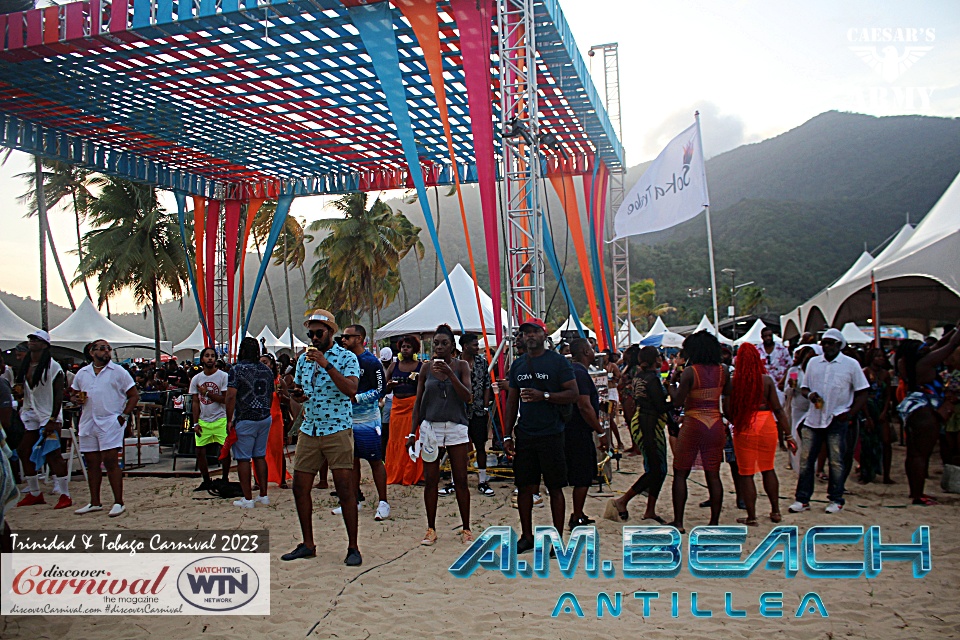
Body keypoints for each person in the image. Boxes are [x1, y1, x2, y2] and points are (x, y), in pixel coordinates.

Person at [282, 310, 361, 566]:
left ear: (331, 333)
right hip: (310, 428)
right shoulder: (305, 360)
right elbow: (302, 389)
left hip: (337, 428)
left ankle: (352, 547)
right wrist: (296, 395)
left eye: (319, 333)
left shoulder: (347, 357)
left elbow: (350, 389)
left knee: (345, 489)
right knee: (299, 487)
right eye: (310, 334)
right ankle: (308, 544)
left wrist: (326, 364)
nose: (314, 338)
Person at [503, 318, 578, 553]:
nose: (530, 336)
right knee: (524, 487)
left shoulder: (557, 363)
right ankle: (526, 536)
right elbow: (512, 401)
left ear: (544, 335)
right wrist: (506, 435)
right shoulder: (518, 365)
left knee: (555, 487)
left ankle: (557, 540)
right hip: (525, 434)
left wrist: (544, 396)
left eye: (534, 331)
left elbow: (573, 393)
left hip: (552, 433)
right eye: (525, 333)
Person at [789, 328, 869, 514]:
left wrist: (850, 413)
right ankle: (802, 499)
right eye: (824, 342)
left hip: (837, 417)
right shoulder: (814, 363)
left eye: (830, 343)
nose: (826, 346)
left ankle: (836, 498)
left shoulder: (851, 364)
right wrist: (810, 395)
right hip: (814, 418)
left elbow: (862, 391)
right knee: (806, 460)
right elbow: (804, 388)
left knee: (836, 461)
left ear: (839, 345)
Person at [408, 324, 473, 545]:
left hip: (455, 426)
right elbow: (419, 402)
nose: (439, 347)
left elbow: (468, 397)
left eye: (444, 343)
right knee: (431, 480)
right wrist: (411, 432)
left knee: (461, 479)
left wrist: (450, 375)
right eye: (436, 343)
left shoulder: (462, 365)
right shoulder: (426, 368)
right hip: (431, 428)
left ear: (452, 346)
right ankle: (431, 528)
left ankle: (466, 528)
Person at [666, 331, 731, 533]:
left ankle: (679, 522)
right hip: (715, 422)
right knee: (713, 474)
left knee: (680, 472)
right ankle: (714, 523)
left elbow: (677, 401)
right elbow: (727, 398)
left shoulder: (690, 372)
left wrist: (670, 384)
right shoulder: (723, 371)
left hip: (694, 421)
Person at [71, 339, 139, 516]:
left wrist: (123, 416)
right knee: (91, 462)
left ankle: (118, 501)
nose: (106, 352)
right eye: (102, 349)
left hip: (110, 421)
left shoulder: (118, 372)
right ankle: (95, 502)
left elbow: (133, 395)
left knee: (110, 461)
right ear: (92, 352)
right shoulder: (82, 373)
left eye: (108, 349)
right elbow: (73, 393)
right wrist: (76, 399)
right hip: (88, 421)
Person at [728, 343, 792, 526]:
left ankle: (752, 516)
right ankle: (776, 511)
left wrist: (737, 422)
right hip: (766, 423)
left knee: (746, 473)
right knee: (768, 468)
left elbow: (729, 410)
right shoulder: (767, 380)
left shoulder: (734, 381)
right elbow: (778, 410)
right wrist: (788, 435)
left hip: (745, 424)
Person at [896, 325, 960, 505]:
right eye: (922, 347)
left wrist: (955, 328)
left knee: (913, 452)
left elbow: (941, 342)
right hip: (925, 409)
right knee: (921, 454)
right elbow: (951, 345)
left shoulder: (908, 362)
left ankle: (915, 491)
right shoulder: (924, 363)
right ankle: (918, 495)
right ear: (917, 352)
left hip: (913, 406)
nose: (927, 347)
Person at [332, 325, 390, 522]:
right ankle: (354, 499)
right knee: (351, 462)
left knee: (375, 460)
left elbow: (381, 390)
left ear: (359, 338)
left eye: (347, 337)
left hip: (368, 420)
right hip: (346, 420)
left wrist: (357, 398)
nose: (343, 340)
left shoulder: (372, 362)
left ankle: (383, 502)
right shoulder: (343, 361)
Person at [606, 346, 669, 523]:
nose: (660, 358)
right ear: (653, 359)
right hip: (648, 426)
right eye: (658, 356)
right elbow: (660, 406)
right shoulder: (651, 379)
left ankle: (650, 509)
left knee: (657, 468)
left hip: (644, 423)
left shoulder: (641, 376)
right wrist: (676, 398)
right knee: (656, 469)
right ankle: (622, 501)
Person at [15, 330, 72, 510]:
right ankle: (34, 492)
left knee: (53, 453)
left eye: (36, 339)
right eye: (30, 338)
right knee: (23, 450)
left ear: (45, 344)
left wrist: (53, 418)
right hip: (31, 411)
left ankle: (65, 494)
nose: (31, 342)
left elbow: (58, 395)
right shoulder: (26, 364)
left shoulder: (53, 367)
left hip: (48, 414)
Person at [225, 337, 275, 508]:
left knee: (243, 458)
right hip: (264, 416)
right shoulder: (267, 370)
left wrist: (229, 419)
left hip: (245, 417)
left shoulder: (236, 369)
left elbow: (231, 395)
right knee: (260, 456)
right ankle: (263, 494)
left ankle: (247, 498)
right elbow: (270, 393)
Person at [565, 338, 608, 528]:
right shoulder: (580, 373)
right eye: (591, 348)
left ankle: (579, 512)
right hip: (578, 430)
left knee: (583, 474)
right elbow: (584, 405)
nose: (594, 352)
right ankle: (576, 515)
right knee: (583, 475)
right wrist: (600, 431)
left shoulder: (576, 371)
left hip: (574, 429)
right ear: (584, 351)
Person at [385, 336, 424, 485]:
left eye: (408, 347)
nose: (405, 349)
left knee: (412, 439)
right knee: (395, 440)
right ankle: (396, 474)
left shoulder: (420, 366)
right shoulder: (393, 366)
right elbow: (383, 388)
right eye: (403, 347)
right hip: (396, 407)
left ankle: (414, 474)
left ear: (414, 349)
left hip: (413, 407)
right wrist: (389, 386)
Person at [190, 347, 230, 491]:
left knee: (224, 450)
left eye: (212, 356)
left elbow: (225, 399)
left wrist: (207, 393)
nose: (210, 358)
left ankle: (225, 478)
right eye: (207, 356)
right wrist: (195, 422)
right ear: (202, 359)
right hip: (203, 420)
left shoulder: (223, 377)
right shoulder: (197, 379)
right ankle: (206, 480)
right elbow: (195, 402)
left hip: (220, 418)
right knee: (200, 451)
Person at [461, 333, 495, 496]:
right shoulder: (456, 363)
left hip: (478, 410)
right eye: (474, 345)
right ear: (466, 346)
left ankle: (482, 479)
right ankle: (457, 480)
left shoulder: (482, 362)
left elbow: (487, 384)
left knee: (480, 445)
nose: (477, 347)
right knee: (458, 446)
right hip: (459, 412)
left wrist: (485, 405)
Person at [861, 347, 894, 484]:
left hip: (881, 409)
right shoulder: (865, 372)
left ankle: (886, 474)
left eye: (882, 356)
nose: (880, 359)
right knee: (867, 443)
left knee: (886, 442)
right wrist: (867, 416)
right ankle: (866, 474)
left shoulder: (885, 374)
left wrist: (885, 411)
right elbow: (862, 395)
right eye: (877, 356)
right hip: (868, 408)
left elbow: (888, 395)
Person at [259, 353, 291, 489]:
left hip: (275, 417)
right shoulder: (256, 380)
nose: (263, 365)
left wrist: (281, 395)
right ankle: (258, 480)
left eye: (265, 362)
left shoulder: (278, 380)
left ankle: (281, 479)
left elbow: (288, 400)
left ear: (271, 364)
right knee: (258, 450)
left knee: (277, 448)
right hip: (260, 417)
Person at [604, 351, 625, 451]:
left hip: (611, 392)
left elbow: (619, 377)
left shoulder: (612, 366)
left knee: (610, 418)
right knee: (606, 419)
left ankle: (618, 442)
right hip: (603, 392)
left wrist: (613, 380)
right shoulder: (598, 366)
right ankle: (610, 442)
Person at [379, 347, 393, 458]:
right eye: (384, 362)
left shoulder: (396, 364)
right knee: (384, 426)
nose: (386, 364)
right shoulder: (378, 365)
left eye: (387, 362)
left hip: (393, 396)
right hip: (384, 396)